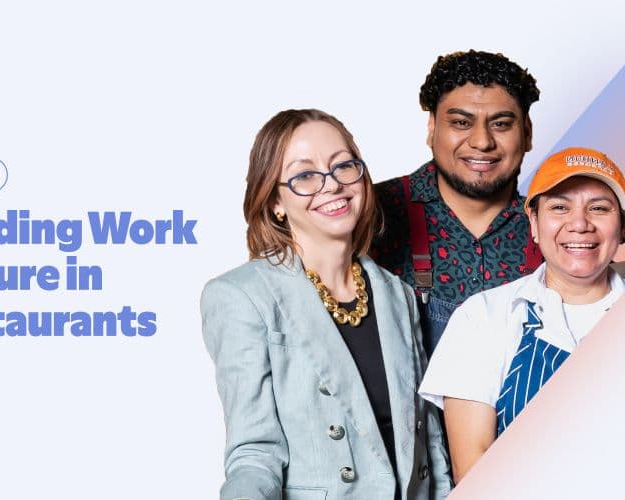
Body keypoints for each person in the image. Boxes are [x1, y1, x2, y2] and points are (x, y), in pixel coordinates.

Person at [201, 109, 451, 500]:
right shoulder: (242, 296)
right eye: (304, 175)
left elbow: (429, 443)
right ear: (274, 203)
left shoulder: (397, 293)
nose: (331, 185)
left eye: (343, 166)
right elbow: (254, 451)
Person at [418, 147, 625, 482]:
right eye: (560, 207)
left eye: (599, 208)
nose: (580, 224)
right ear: (534, 222)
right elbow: (475, 472)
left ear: (622, 227)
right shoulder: (483, 317)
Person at [372, 50, 543, 356]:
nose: (481, 141)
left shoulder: (558, 228)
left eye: (501, 124)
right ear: (431, 128)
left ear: (527, 134)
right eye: (461, 123)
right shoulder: (371, 214)